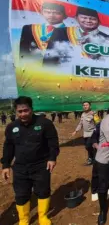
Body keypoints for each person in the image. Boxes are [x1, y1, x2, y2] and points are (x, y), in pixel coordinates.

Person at [1, 96, 59, 225]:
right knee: (21, 194)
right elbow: (8, 146)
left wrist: (52, 158)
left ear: (31, 109)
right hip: (20, 168)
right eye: (20, 112)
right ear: (16, 112)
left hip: (41, 166)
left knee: (43, 191)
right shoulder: (11, 127)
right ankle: (24, 220)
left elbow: (53, 142)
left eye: (26, 110)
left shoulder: (44, 123)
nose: (23, 114)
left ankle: (43, 217)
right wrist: (5, 165)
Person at [43, 6, 109, 64]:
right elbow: (50, 57)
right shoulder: (60, 32)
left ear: (99, 22)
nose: (88, 21)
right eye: (84, 18)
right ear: (76, 18)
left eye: (92, 19)